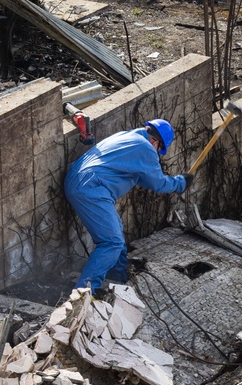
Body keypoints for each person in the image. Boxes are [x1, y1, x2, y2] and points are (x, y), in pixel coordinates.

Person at [64, 118, 192, 294]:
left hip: (79, 180)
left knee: (117, 236)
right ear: (156, 142)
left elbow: (143, 177)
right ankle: (82, 295)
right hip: (91, 187)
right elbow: (158, 183)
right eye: (159, 149)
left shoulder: (128, 137)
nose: (157, 153)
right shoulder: (146, 148)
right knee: (112, 242)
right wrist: (180, 183)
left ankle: (117, 280)